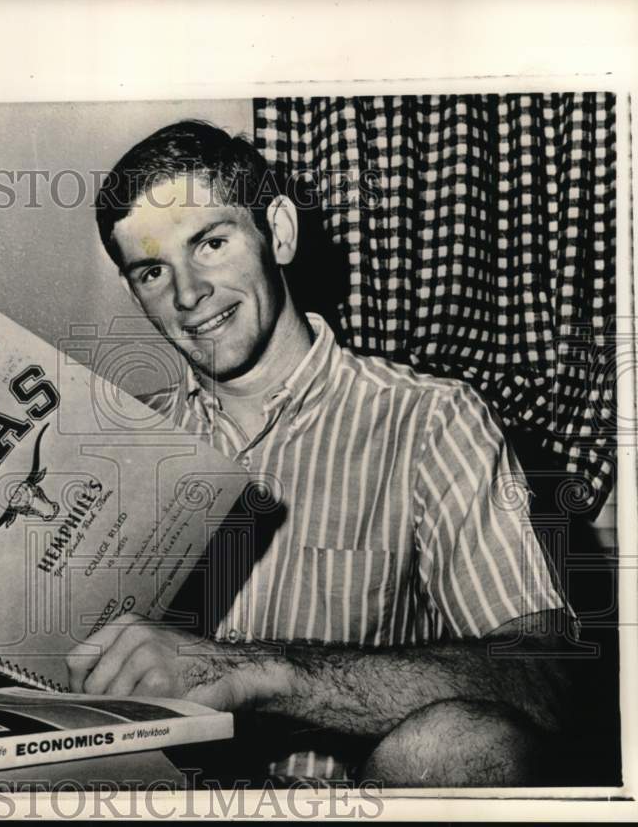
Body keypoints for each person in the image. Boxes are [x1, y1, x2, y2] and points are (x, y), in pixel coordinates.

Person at [62, 120, 577, 786]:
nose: (187, 296)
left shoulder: (426, 420)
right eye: (154, 271)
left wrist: (258, 672)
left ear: (277, 231)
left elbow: (548, 678)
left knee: (459, 743)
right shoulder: (124, 448)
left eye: (211, 244)